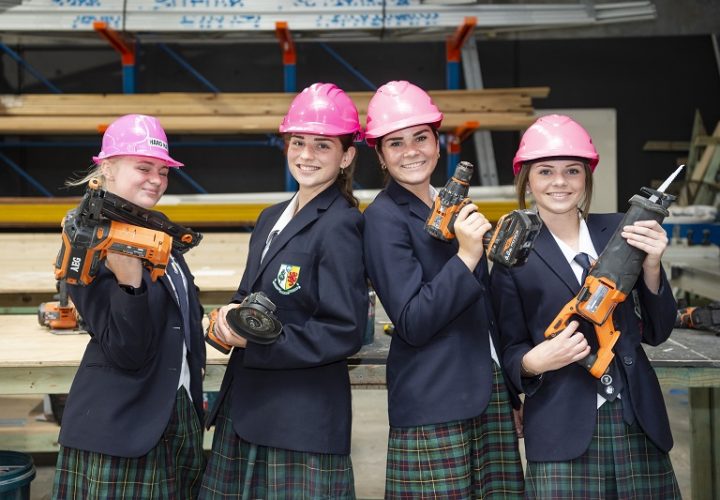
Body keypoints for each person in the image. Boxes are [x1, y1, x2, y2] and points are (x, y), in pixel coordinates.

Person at [490, 114, 681, 498]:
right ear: (527, 179)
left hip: (637, 424)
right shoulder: (512, 258)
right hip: (561, 429)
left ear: (586, 178)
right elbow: (508, 348)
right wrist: (534, 362)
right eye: (545, 171)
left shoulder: (623, 231)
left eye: (572, 170)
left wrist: (653, 266)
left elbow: (658, 332)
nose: (559, 182)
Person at [199, 82, 367, 499]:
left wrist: (253, 342)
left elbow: (343, 330)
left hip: (299, 420)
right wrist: (226, 319)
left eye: (322, 145)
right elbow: (248, 295)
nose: (306, 155)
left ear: (346, 156)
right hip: (248, 404)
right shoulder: (270, 217)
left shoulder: (341, 224)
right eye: (298, 141)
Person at [362, 80, 524, 499]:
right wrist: (468, 256)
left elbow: (487, 312)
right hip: (434, 401)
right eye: (395, 143)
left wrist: (509, 392)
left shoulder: (454, 204)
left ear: (438, 143)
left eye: (421, 137)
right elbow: (413, 322)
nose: (411, 151)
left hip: (485, 392)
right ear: (379, 155)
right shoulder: (383, 219)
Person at [52, 114, 207, 499]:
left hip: (176, 411)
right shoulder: (87, 238)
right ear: (107, 167)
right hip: (122, 427)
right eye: (143, 168)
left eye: (163, 171)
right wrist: (129, 282)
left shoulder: (151, 229)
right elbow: (126, 350)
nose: (156, 179)